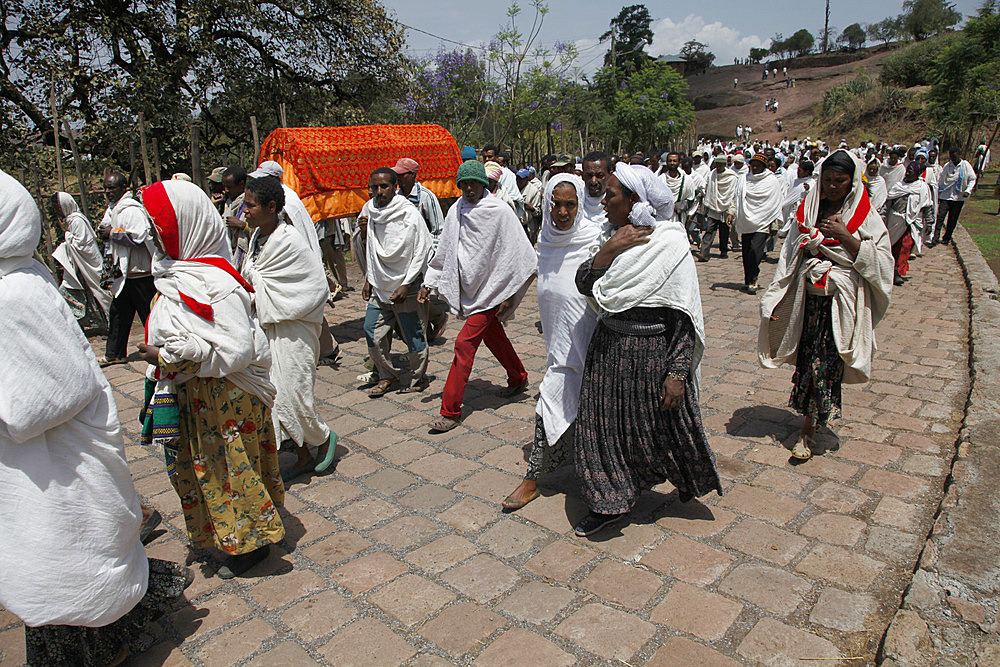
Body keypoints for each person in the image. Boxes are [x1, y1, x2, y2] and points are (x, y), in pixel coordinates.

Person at [0, 170, 191, 665]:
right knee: (69, 560)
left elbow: (45, 397)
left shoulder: (16, 293)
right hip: (41, 459)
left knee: (69, 560)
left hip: (55, 453)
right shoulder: (16, 281)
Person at [140, 179, 286, 577]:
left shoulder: (217, 284)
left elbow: (237, 349)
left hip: (224, 397)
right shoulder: (177, 274)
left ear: (187, 226)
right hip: (197, 397)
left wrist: (170, 356)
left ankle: (251, 547)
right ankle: (226, 536)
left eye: (161, 228)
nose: (154, 235)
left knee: (231, 471)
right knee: (208, 469)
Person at [572, 163, 722, 536]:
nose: (603, 200)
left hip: (652, 354)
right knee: (603, 430)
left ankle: (678, 476)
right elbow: (584, 283)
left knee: (660, 428)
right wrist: (608, 250)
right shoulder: (608, 238)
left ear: (635, 201)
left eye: (611, 194)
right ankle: (609, 501)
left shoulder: (670, 244)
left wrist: (676, 374)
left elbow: (684, 316)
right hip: (607, 350)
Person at [759, 150, 893, 460]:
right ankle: (811, 418)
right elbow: (790, 257)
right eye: (828, 180)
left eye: (840, 181)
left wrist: (846, 237)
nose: (832, 186)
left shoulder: (865, 216)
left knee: (824, 364)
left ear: (852, 182)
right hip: (808, 303)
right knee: (808, 362)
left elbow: (883, 264)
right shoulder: (808, 211)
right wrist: (780, 296)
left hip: (840, 304)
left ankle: (808, 428)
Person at [502, 174, 602, 511]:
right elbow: (530, 275)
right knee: (556, 396)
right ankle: (544, 476)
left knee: (576, 403)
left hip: (591, 342)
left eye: (570, 204)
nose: (562, 211)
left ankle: (545, 478)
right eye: (555, 204)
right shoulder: (545, 241)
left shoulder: (592, 241)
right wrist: (509, 304)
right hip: (558, 345)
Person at [418, 160, 537, 432]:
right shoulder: (456, 212)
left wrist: (509, 292)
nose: (469, 188)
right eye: (464, 184)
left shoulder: (499, 211)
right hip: (471, 287)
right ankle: (518, 377)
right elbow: (446, 251)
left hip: (493, 288)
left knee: (463, 343)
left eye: (474, 183)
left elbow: (519, 253)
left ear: (485, 184)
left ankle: (450, 411)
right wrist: (430, 281)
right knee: (493, 334)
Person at [239, 175, 338, 482]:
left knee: (294, 394)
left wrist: (262, 294)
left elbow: (315, 287)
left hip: (293, 331)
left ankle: (323, 437)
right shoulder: (256, 239)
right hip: (266, 330)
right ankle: (303, 454)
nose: (245, 211)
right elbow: (253, 275)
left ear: (271, 207)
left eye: (250, 205)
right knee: (274, 396)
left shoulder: (290, 241)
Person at [248, 160, 341, 365]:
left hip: (290, 262)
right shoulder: (265, 220)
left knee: (302, 307)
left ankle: (324, 349)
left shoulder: (287, 202)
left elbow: (297, 236)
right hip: (281, 261)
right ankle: (327, 348)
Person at [360, 168, 433, 396]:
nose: (379, 191)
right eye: (374, 187)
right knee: (372, 331)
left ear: (395, 187)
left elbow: (422, 248)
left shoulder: (408, 213)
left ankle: (418, 378)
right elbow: (370, 246)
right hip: (379, 284)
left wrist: (408, 283)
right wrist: (369, 278)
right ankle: (387, 376)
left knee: (414, 335)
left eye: (384, 186)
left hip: (406, 286)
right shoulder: (369, 211)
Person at [98, 173, 156, 365]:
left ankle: (158, 350)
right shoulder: (113, 210)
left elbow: (142, 239)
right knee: (118, 313)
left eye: (112, 188)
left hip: (140, 273)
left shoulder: (132, 210)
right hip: (123, 273)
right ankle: (115, 352)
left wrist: (114, 234)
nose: (108, 192)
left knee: (149, 314)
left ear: (123, 188)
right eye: (106, 188)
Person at [392, 156, 450, 341]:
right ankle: (430, 319)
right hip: (403, 253)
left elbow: (437, 229)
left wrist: (431, 257)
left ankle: (429, 324)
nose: (399, 178)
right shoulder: (396, 197)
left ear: (413, 174)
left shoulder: (426, 197)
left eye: (403, 174)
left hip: (423, 253)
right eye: (397, 175)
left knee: (418, 292)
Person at [50, 191, 113, 326]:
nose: (58, 211)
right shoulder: (70, 221)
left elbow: (82, 246)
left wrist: (66, 233)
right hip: (80, 265)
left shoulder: (77, 221)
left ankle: (110, 323)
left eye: (59, 208)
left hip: (90, 264)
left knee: (100, 292)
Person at [734, 154, 784, 293]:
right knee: (746, 252)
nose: (755, 168)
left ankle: (754, 277)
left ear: (764, 166)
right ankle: (748, 279)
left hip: (764, 221)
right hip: (746, 220)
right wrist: (732, 213)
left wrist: (775, 224)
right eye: (753, 165)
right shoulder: (743, 179)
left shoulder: (771, 181)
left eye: (758, 165)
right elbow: (737, 197)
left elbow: (775, 203)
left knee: (755, 250)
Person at [885, 161, 933, 285]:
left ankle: (898, 272)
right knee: (894, 246)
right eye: (908, 169)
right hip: (895, 220)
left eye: (912, 170)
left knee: (905, 246)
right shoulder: (898, 186)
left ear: (917, 173)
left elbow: (927, 206)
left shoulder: (922, 187)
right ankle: (890, 270)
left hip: (911, 223)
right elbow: (889, 202)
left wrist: (929, 222)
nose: (908, 172)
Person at [932, 147, 977, 246]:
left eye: (955, 157)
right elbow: (942, 180)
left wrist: (967, 190)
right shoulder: (947, 166)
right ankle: (935, 237)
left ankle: (946, 238)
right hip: (945, 196)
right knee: (940, 217)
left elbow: (972, 178)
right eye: (951, 157)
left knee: (952, 219)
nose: (953, 159)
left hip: (958, 197)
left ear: (959, 155)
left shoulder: (965, 165)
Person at [699, 155, 738, 261]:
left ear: (725, 164)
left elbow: (733, 195)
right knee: (709, 230)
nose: (719, 166)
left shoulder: (732, 177)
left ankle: (723, 250)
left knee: (724, 231)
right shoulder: (712, 174)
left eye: (721, 164)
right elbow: (707, 188)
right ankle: (704, 252)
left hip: (726, 209)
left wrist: (731, 211)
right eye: (717, 164)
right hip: (713, 208)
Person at [221, 165, 250, 267]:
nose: (226, 190)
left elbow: (261, 232)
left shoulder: (251, 203)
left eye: (229, 187)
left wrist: (242, 225)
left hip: (245, 256)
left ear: (241, 184)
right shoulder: (227, 203)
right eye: (224, 186)